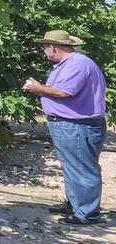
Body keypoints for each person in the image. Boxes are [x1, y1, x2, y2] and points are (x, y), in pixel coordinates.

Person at [21, 29, 108, 226]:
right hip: (71, 123)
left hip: (77, 124)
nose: (44, 51)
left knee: (81, 167)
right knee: (73, 166)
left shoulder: (76, 65)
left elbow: (64, 92)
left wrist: (37, 88)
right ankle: (75, 204)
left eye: (44, 47)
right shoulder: (70, 63)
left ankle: (87, 214)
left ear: (52, 47)